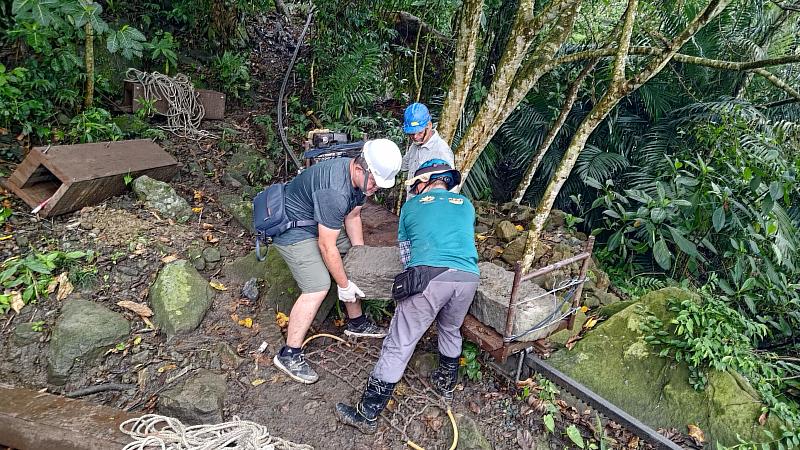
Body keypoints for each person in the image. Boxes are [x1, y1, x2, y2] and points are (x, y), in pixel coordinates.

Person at [334, 159, 480, 434]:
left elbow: (406, 254)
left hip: (429, 276)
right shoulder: (466, 205)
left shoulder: (412, 207)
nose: (414, 190)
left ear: (424, 183)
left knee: (399, 342)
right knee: (450, 328)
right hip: (468, 277)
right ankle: (446, 387)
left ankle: (367, 414)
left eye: (415, 185)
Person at [272, 138, 403, 384]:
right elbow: (326, 245)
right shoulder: (336, 191)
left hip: (316, 220)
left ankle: (356, 322)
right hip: (292, 227)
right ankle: (289, 353)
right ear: (358, 168)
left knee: (352, 256)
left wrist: (360, 256)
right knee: (318, 285)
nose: (376, 187)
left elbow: (353, 216)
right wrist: (343, 285)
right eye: (374, 181)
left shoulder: (360, 183)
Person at [401, 103, 455, 199]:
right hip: (412, 203)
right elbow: (403, 165)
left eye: (420, 132)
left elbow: (451, 189)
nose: (415, 137)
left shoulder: (441, 150)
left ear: (429, 126)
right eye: (412, 134)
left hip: (429, 206)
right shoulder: (415, 146)